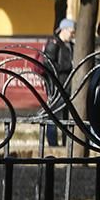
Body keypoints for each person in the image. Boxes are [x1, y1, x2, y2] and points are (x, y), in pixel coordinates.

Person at [41, 17, 75, 147]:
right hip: (56, 85)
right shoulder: (54, 43)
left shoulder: (71, 45)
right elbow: (48, 64)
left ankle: (67, 143)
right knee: (54, 115)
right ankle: (53, 144)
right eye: (71, 32)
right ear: (64, 30)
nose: (72, 35)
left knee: (67, 116)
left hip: (67, 85)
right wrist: (68, 67)